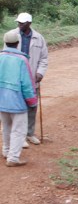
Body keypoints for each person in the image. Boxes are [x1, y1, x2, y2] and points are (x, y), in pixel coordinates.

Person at [0, 31, 38, 167]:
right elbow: (27, 84)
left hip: (2, 100)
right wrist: (32, 101)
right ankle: (13, 158)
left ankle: (6, 151)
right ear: (17, 43)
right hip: (17, 101)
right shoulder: (22, 60)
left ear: (5, 43)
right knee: (19, 130)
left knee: (6, 127)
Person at [11, 12, 48, 147]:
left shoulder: (39, 38)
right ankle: (19, 136)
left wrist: (40, 72)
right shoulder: (12, 35)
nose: (19, 25)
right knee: (18, 107)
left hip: (32, 78)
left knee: (32, 106)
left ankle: (30, 133)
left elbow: (44, 58)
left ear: (29, 23)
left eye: (22, 23)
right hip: (16, 77)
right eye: (19, 22)